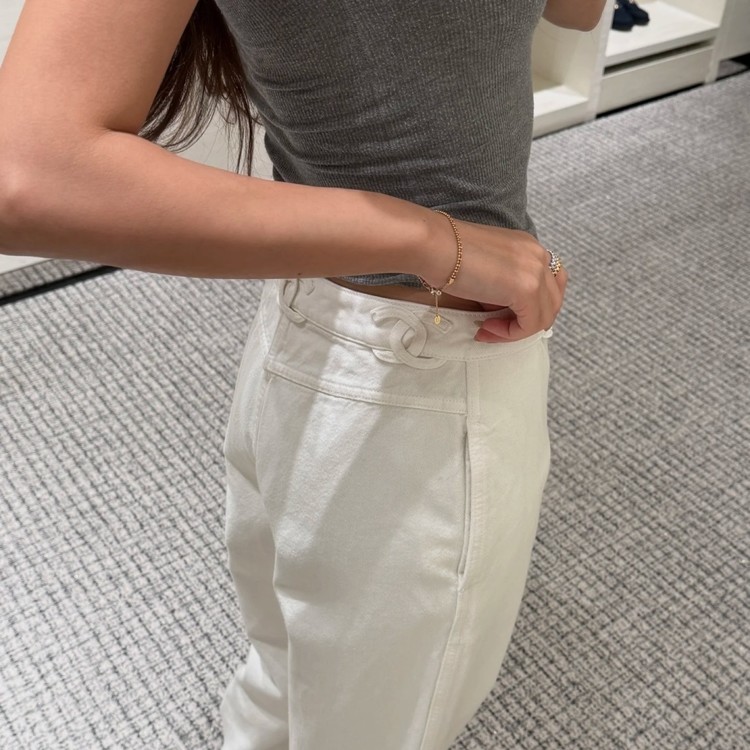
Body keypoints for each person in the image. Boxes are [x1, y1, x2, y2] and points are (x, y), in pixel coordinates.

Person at [0, 1, 604, 747]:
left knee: (287, 677)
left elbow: (578, 12)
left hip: (321, 337)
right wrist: (431, 239)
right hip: (421, 375)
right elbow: (32, 174)